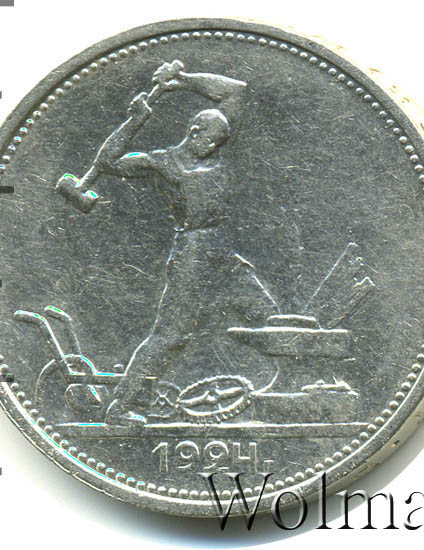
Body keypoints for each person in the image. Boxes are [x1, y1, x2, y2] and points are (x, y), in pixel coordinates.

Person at [94, 61, 279, 425]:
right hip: (192, 253)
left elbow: (236, 89)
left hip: (224, 253)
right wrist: (135, 120)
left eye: (218, 142)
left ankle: (293, 391)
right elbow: (106, 161)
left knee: (270, 317)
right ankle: (122, 407)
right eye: (208, 140)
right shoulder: (163, 162)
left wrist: (181, 81)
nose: (213, 146)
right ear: (195, 132)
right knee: (171, 335)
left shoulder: (219, 143)